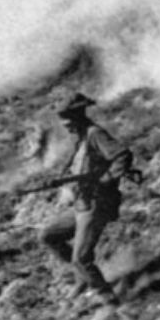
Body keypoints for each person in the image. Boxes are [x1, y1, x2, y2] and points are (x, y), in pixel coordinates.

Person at [38, 92, 135, 307]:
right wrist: (57, 180)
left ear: (78, 115)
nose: (64, 124)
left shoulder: (94, 134)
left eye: (68, 118)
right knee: (49, 236)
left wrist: (106, 180)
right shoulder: (79, 138)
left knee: (81, 258)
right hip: (82, 204)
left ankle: (110, 301)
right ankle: (83, 278)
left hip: (97, 204)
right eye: (62, 119)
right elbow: (79, 168)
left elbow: (122, 156)